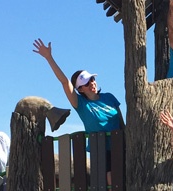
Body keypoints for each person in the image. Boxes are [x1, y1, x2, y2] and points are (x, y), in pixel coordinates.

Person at [32, 39, 124, 178]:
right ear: (80, 89)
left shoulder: (109, 97)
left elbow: (122, 123)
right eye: (87, 83)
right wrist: (49, 58)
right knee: (111, 183)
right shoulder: (80, 104)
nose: (92, 83)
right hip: (101, 152)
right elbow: (64, 82)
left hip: (121, 146)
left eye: (92, 79)